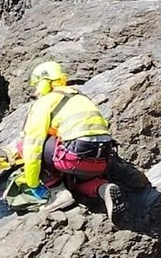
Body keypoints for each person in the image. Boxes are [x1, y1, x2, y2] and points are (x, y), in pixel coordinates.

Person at [20, 61, 124, 223]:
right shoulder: (79, 96)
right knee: (78, 181)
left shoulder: (45, 102)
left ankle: (58, 193)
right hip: (102, 158)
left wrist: (32, 183)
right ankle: (103, 189)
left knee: (24, 146)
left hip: (75, 156)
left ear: (43, 83)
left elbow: (32, 145)